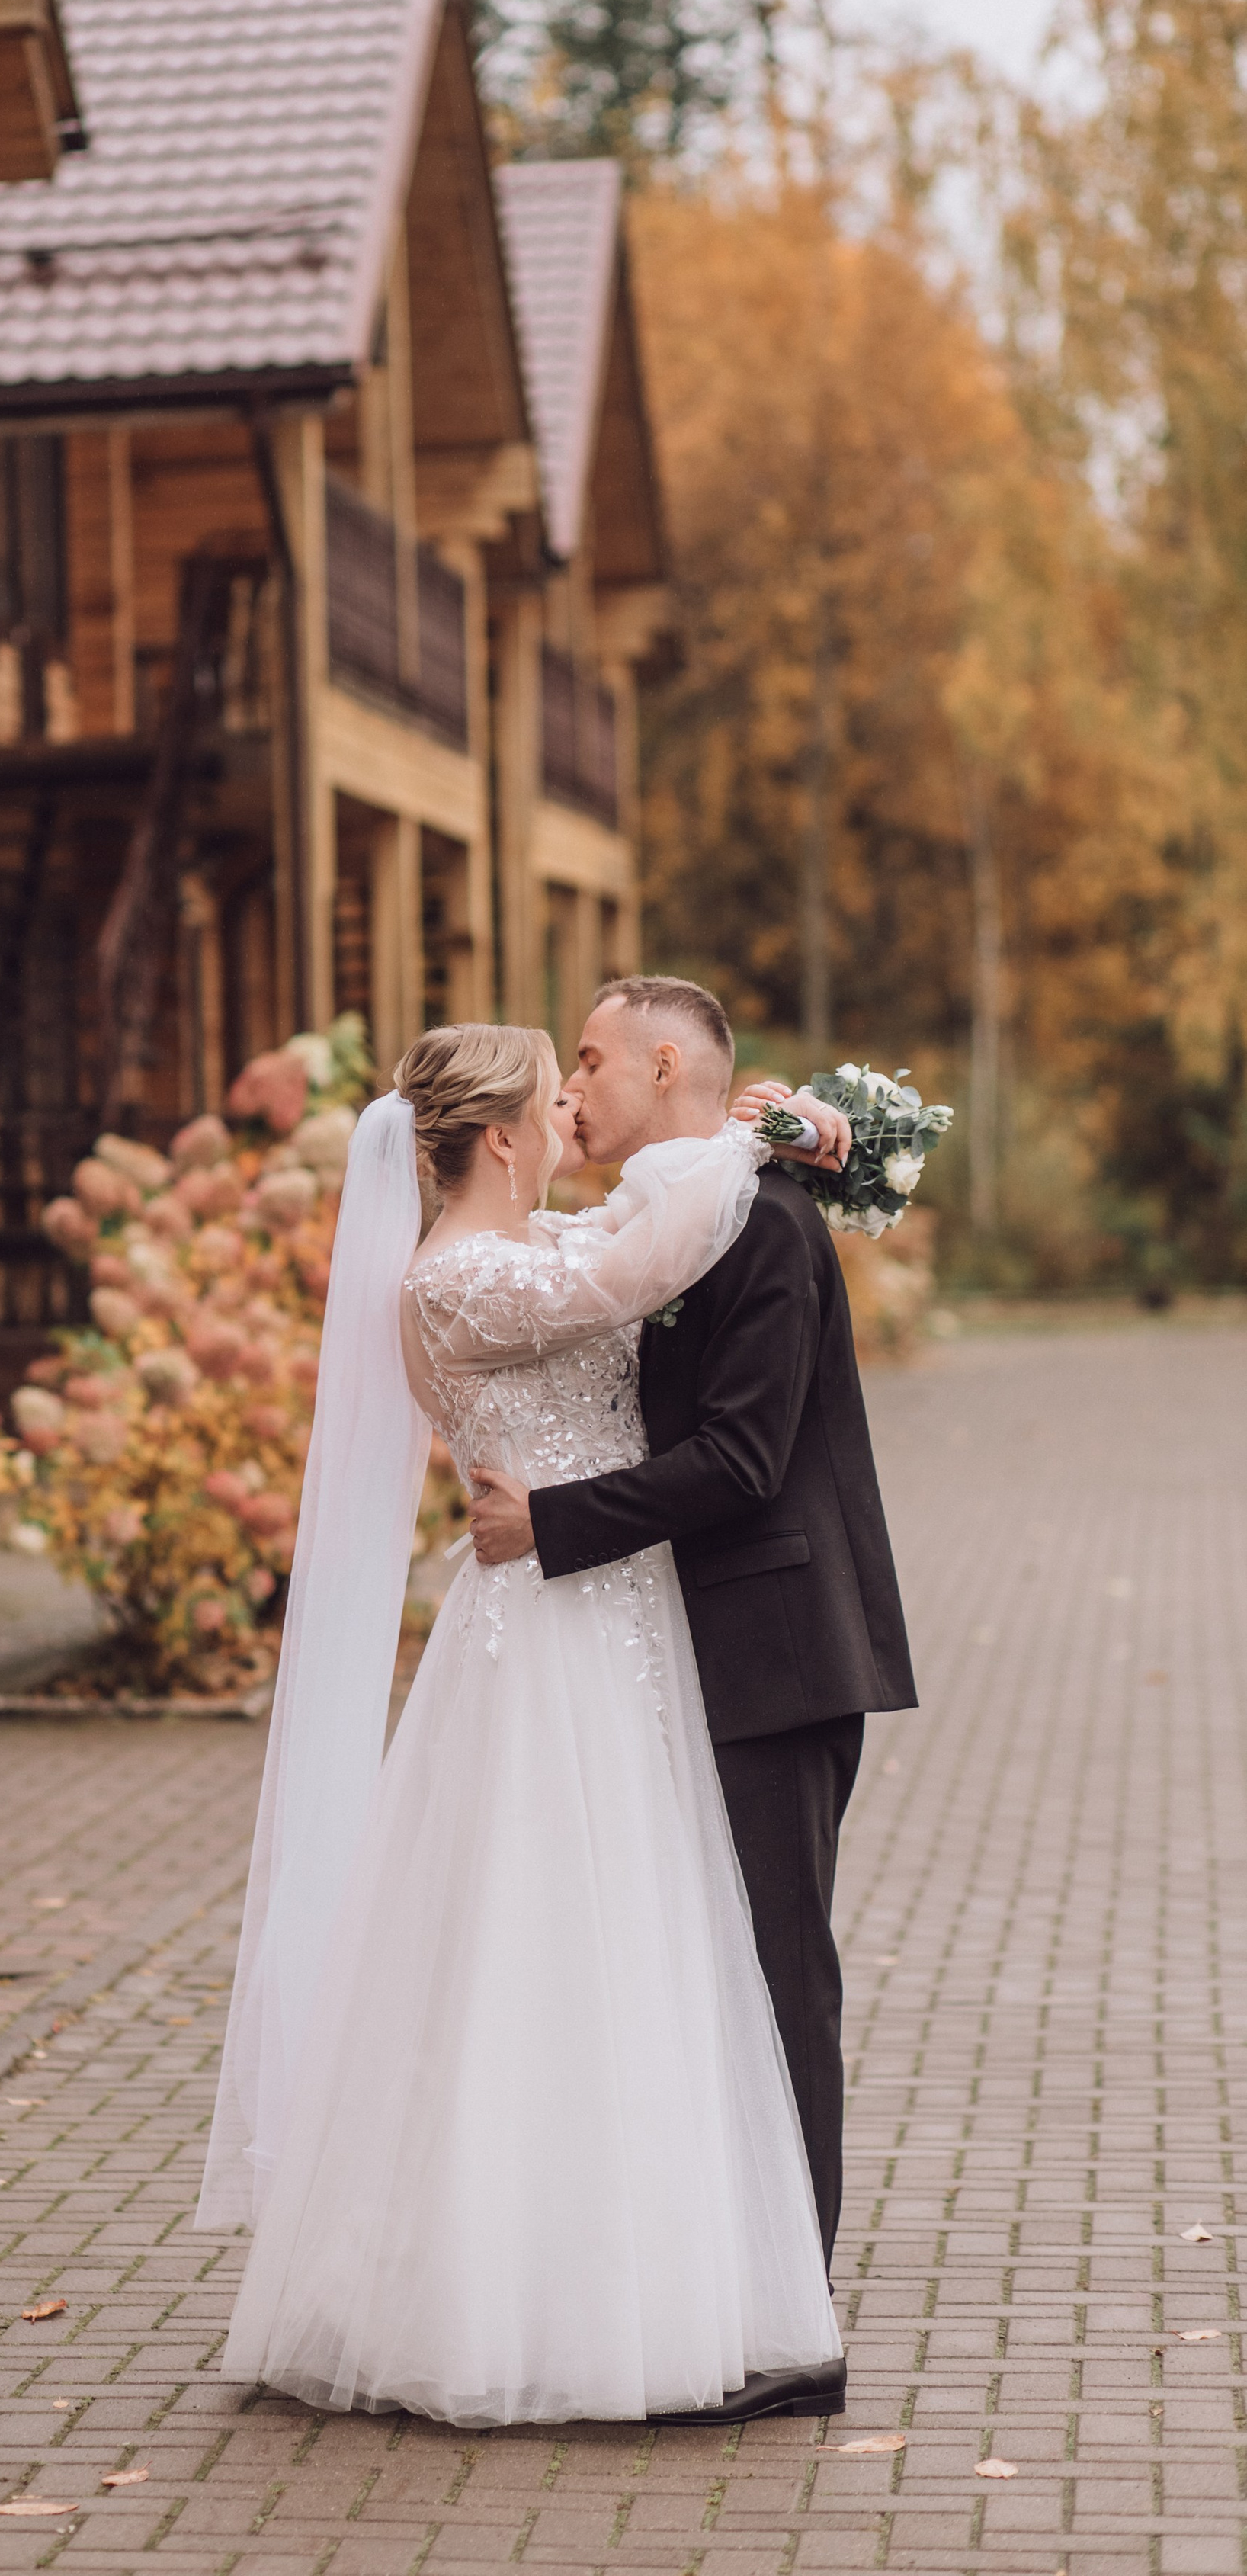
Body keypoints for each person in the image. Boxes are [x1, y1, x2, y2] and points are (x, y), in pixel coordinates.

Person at [197, 1024, 852, 2428]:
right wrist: (749, 1140)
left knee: (635, 1948)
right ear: (496, 1139)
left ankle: (637, 2268)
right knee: (529, 1941)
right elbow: (635, 1267)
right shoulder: (455, 1279)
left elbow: (625, 1235)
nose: (568, 1107)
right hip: (543, 1638)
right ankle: (504, 2296)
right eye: (548, 1089)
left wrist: (757, 1122)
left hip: (615, 1622)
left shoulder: (533, 1247)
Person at [470, 976, 918, 2325]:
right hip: (692, 1655)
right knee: (715, 1979)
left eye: (594, 1059)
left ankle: (797, 2326)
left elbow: (740, 1458)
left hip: (780, 1653)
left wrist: (550, 1522)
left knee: (781, 1982)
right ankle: (730, 2286)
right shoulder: (675, 1220)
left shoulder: (769, 1225)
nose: (576, 1086)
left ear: (669, 1067)